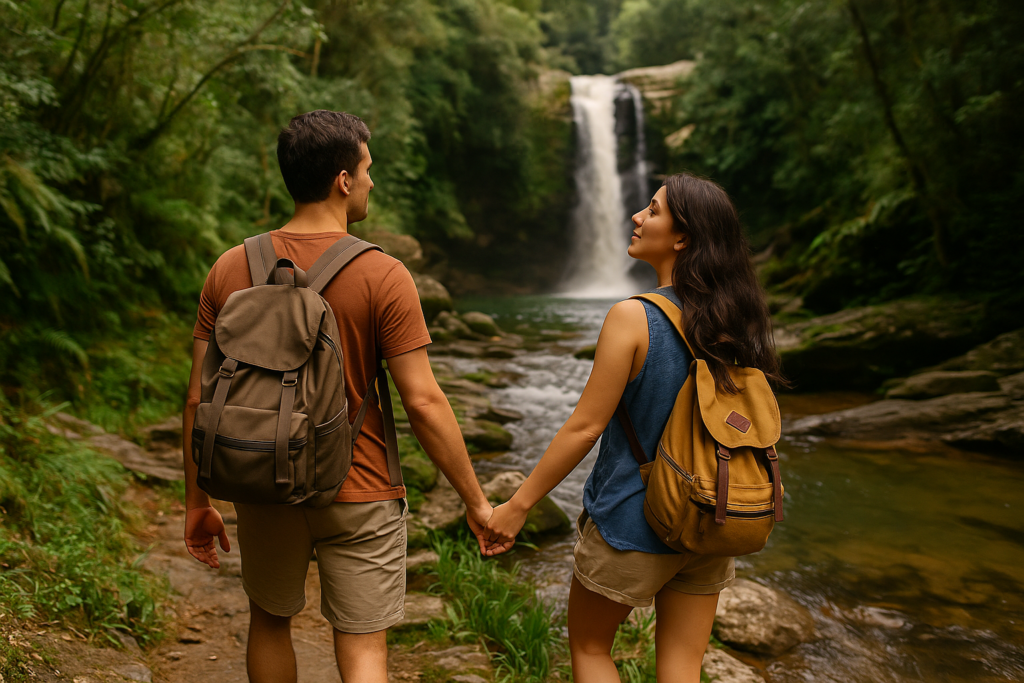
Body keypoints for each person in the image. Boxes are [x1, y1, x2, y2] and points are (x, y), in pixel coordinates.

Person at [181, 110, 495, 683]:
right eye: (368, 168)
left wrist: (197, 503)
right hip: (362, 488)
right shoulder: (383, 274)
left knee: (269, 622)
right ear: (342, 180)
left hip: (263, 478)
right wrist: (476, 501)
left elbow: (198, 398)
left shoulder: (230, 267)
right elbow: (423, 402)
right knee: (364, 647)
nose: (373, 181)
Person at [481, 173, 785, 682]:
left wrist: (517, 506)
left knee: (592, 649)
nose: (637, 217)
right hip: (712, 515)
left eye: (653, 209)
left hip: (633, 521)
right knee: (684, 663)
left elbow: (584, 427)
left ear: (682, 236)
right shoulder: (734, 323)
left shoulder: (633, 317)